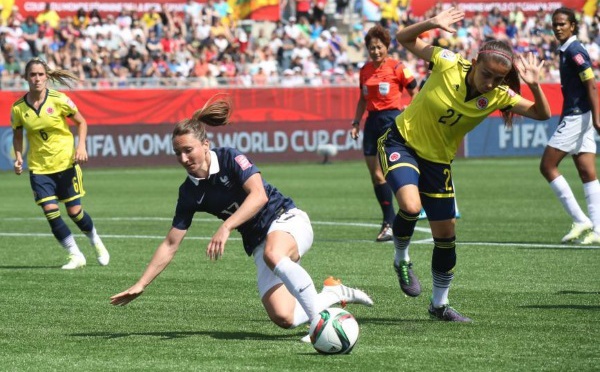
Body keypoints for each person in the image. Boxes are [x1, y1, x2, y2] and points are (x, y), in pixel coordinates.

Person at [110, 95, 373, 335]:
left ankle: (318, 326)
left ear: (205, 145)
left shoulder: (230, 158)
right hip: (258, 242)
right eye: (177, 152)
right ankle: (331, 293)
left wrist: (226, 227)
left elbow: (258, 195)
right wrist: (141, 284)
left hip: (287, 219)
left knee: (274, 253)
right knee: (285, 317)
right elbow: (170, 244)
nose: (183, 157)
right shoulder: (188, 193)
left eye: (188, 150)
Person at [384, 8, 550, 321]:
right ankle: (401, 258)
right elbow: (403, 38)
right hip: (401, 142)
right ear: (474, 63)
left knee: (446, 237)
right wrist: (432, 23)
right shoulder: (446, 62)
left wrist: (535, 85)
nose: (490, 83)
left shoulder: (500, 96)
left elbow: (542, 114)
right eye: (486, 74)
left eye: (498, 79)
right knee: (409, 204)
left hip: (438, 162)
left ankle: (439, 306)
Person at [11, 58, 110, 270]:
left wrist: (81, 146)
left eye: (40, 74)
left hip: (65, 163)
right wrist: (18, 156)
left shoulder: (59, 99)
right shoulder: (19, 108)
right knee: (50, 211)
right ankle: (75, 255)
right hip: (39, 168)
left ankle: (95, 240)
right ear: (26, 78)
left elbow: (81, 122)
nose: (36, 78)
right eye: (32, 75)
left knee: (75, 212)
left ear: (46, 77)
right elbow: (17, 135)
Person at [350, 24, 417, 242]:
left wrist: (411, 107)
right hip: (372, 124)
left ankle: (408, 210)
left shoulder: (398, 67)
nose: (375, 51)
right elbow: (362, 99)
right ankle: (388, 222)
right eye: (371, 48)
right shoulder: (364, 70)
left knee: (392, 171)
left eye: (379, 47)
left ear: (386, 47)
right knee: (376, 175)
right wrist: (355, 123)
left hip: (391, 121)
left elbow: (415, 90)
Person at [540, 7, 600, 245]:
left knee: (547, 166)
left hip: (578, 116)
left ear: (573, 26)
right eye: (555, 24)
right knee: (587, 172)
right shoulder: (566, 49)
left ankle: (580, 219)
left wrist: (597, 117)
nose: (557, 28)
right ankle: (598, 229)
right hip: (577, 115)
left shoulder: (575, 50)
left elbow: (591, 84)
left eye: (562, 24)